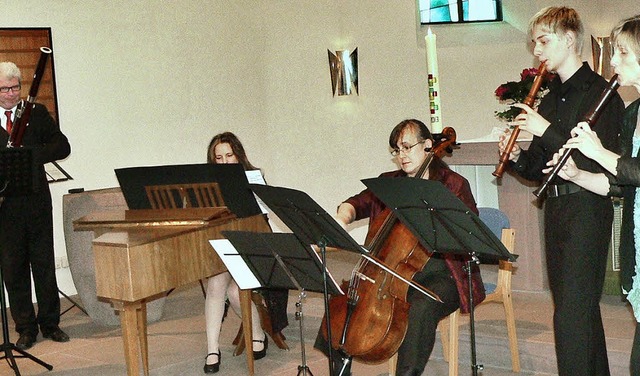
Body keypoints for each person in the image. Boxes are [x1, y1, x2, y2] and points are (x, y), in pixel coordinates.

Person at [497, 6, 624, 375]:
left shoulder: (603, 94)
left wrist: (543, 129)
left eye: (543, 40)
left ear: (569, 39)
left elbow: (598, 162)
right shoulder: (551, 98)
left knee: (570, 317)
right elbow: (539, 170)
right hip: (555, 213)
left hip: (587, 209)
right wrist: (518, 154)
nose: (536, 50)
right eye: (534, 42)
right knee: (576, 313)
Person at [315, 119, 485, 376]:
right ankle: (340, 370)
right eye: (397, 150)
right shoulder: (389, 182)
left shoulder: (453, 184)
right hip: (392, 268)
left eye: (407, 147)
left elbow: (468, 234)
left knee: (421, 307)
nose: (401, 156)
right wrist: (342, 216)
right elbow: (356, 203)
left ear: (428, 145)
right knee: (340, 300)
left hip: (444, 270)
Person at [543, 14, 640, 375]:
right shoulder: (632, 114)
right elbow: (617, 183)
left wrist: (598, 152)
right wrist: (578, 173)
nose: (612, 62)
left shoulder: (613, 102)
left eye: (623, 53)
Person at [203, 131, 289, 373]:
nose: (225, 162)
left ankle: (258, 333)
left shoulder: (253, 176)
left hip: (253, 244)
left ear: (238, 155)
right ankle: (212, 348)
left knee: (234, 290)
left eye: (229, 155)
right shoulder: (208, 186)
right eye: (218, 158)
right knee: (215, 284)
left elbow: (264, 216)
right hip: (225, 243)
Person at [0, 61, 71, 350]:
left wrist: (29, 154)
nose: (11, 93)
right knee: (13, 268)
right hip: (5, 207)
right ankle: (25, 327)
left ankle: (51, 323)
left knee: (43, 264)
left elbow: (62, 146)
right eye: (4, 88)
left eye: (15, 87)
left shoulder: (35, 113)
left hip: (37, 202)